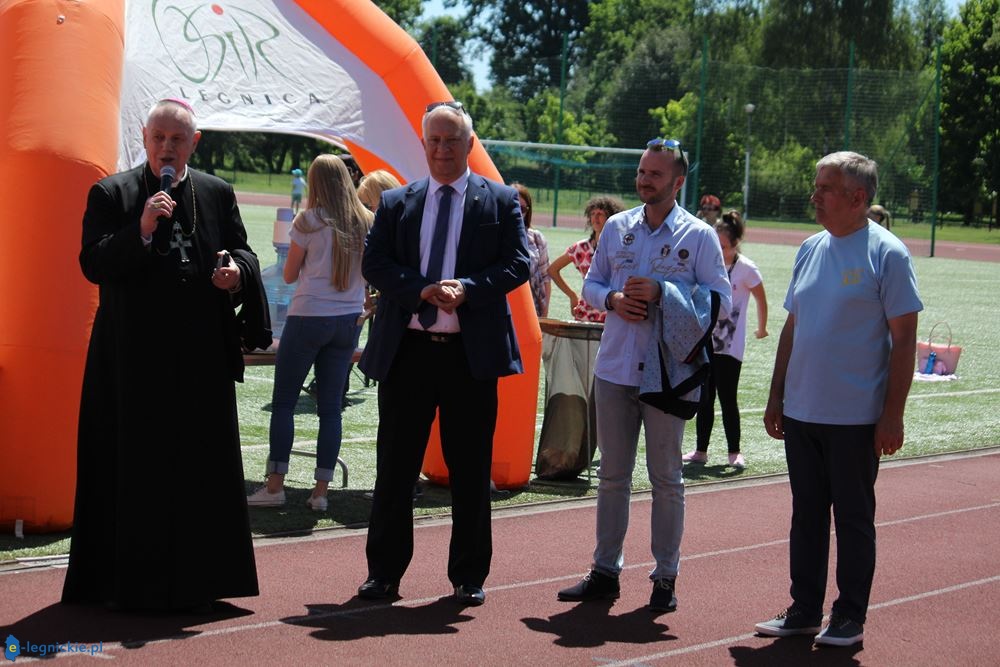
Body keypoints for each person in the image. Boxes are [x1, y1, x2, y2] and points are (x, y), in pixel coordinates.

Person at [62, 98, 266, 612]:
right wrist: (143, 229)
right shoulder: (112, 192)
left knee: (199, 467)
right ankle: (128, 584)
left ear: (194, 143)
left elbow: (243, 251)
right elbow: (93, 262)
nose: (167, 148)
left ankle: (198, 582)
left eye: (178, 139)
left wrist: (237, 273)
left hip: (199, 357)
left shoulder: (216, 193)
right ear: (144, 137)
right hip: (132, 359)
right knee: (136, 467)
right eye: (159, 138)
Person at [356, 101, 529, 607]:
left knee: (470, 468)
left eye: (452, 140)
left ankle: (469, 576)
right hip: (407, 352)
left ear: (469, 144)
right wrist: (421, 290)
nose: (442, 149)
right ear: (424, 145)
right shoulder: (397, 202)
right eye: (434, 140)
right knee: (395, 467)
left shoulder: (499, 201)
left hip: (468, 358)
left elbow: (518, 263)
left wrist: (470, 288)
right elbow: (375, 262)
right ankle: (383, 574)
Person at [755, 152, 922, 647]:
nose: (814, 196)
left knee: (852, 519)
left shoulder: (887, 254)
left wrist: (892, 415)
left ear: (858, 198)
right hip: (802, 412)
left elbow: (905, 340)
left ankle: (849, 616)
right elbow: (793, 324)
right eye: (815, 186)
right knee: (806, 515)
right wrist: (777, 392)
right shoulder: (810, 248)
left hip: (855, 418)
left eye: (825, 188)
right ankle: (804, 609)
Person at [558, 138, 731, 612]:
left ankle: (665, 577)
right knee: (612, 476)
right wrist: (611, 299)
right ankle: (605, 571)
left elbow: (722, 300)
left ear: (677, 182)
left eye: (655, 174)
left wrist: (664, 292)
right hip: (614, 368)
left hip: (667, 375)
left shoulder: (697, 236)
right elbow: (593, 283)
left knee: (666, 477)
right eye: (641, 171)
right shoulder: (616, 227)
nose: (644, 180)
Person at [246, 155, 373, 512]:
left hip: (308, 317)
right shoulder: (366, 221)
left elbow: (288, 276)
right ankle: (320, 492)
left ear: (315, 184)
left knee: (284, 403)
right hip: (347, 321)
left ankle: (275, 487)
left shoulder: (308, 221)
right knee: (331, 410)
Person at [686, 210, 768, 468]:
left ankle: (734, 451)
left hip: (730, 347)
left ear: (735, 244)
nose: (719, 251)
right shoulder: (709, 266)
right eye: (716, 245)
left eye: (723, 246)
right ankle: (701, 450)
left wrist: (761, 327)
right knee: (704, 397)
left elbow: (761, 298)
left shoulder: (746, 269)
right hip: (706, 342)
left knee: (728, 398)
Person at [547, 196, 625, 322]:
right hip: (586, 313)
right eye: (592, 213)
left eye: (600, 213)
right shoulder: (581, 248)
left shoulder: (622, 248)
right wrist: (572, 295)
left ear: (612, 218)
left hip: (612, 313)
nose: (595, 217)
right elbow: (552, 270)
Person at [512, 183, 551, 317]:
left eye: (522, 209)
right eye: (513, 206)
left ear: (528, 211)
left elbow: (546, 277)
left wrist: (544, 313)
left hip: (532, 310)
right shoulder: (492, 236)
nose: (517, 212)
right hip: (502, 310)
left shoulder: (537, 238)